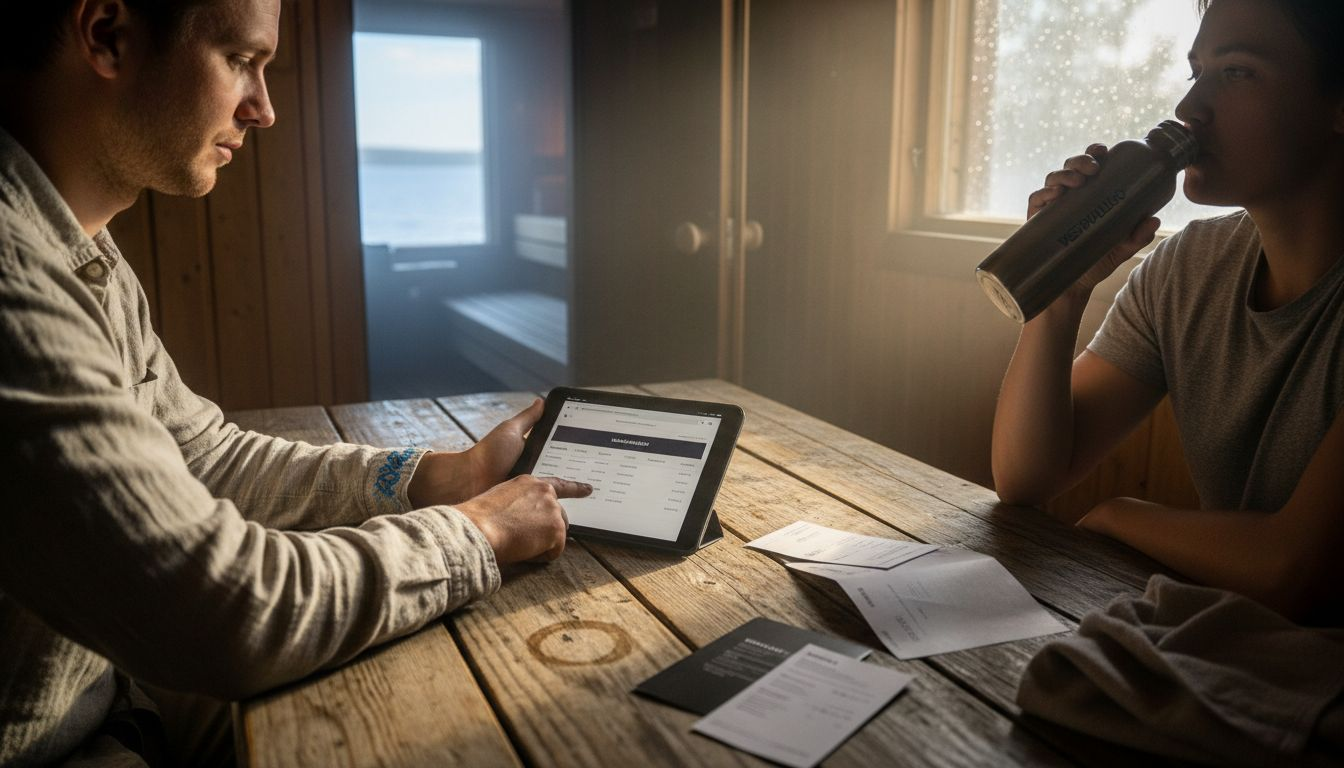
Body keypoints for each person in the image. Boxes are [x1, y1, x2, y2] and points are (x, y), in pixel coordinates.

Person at [0, 0, 591, 764]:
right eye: (241, 60)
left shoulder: (84, 254)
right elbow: (219, 611)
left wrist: (446, 478)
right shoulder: (17, 283)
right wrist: (477, 533)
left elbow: (205, 456)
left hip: (115, 697)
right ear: (108, 36)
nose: (263, 109)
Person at [991, 0, 1344, 624]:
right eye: (1195, 71)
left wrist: (1118, 515)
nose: (1189, 107)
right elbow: (1027, 477)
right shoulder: (1190, 269)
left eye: (1237, 72)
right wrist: (1061, 291)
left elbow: (1295, 572)